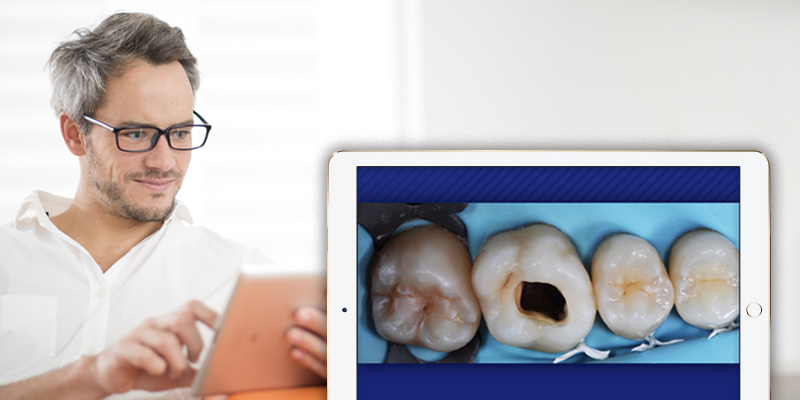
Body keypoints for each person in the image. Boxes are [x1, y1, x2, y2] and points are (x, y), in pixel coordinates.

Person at [0, 12, 326, 399]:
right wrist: (92, 377)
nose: (165, 161)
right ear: (75, 134)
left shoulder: (243, 280)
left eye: (180, 132)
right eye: (136, 133)